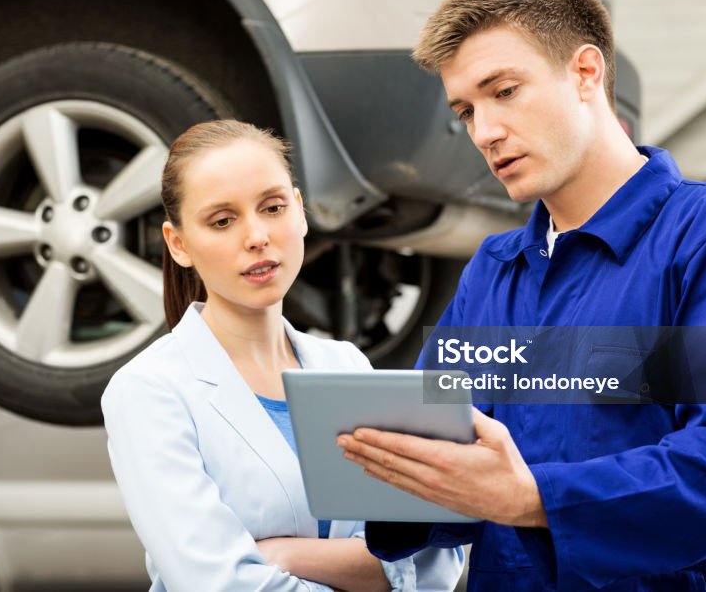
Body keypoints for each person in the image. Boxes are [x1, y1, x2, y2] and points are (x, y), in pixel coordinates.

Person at [337, 0, 706, 590]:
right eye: (465, 111)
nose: (484, 132)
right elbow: (451, 471)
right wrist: (379, 473)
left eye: (504, 91)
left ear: (586, 73)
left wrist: (532, 497)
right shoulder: (493, 272)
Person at [101, 119, 463, 592]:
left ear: (300, 210)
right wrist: (375, 570)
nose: (256, 236)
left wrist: (284, 555)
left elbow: (436, 558)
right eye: (222, 221)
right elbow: (218, 583)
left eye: (272, 207)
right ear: (179, 244)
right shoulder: (148, 390)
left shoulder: (347, 366)